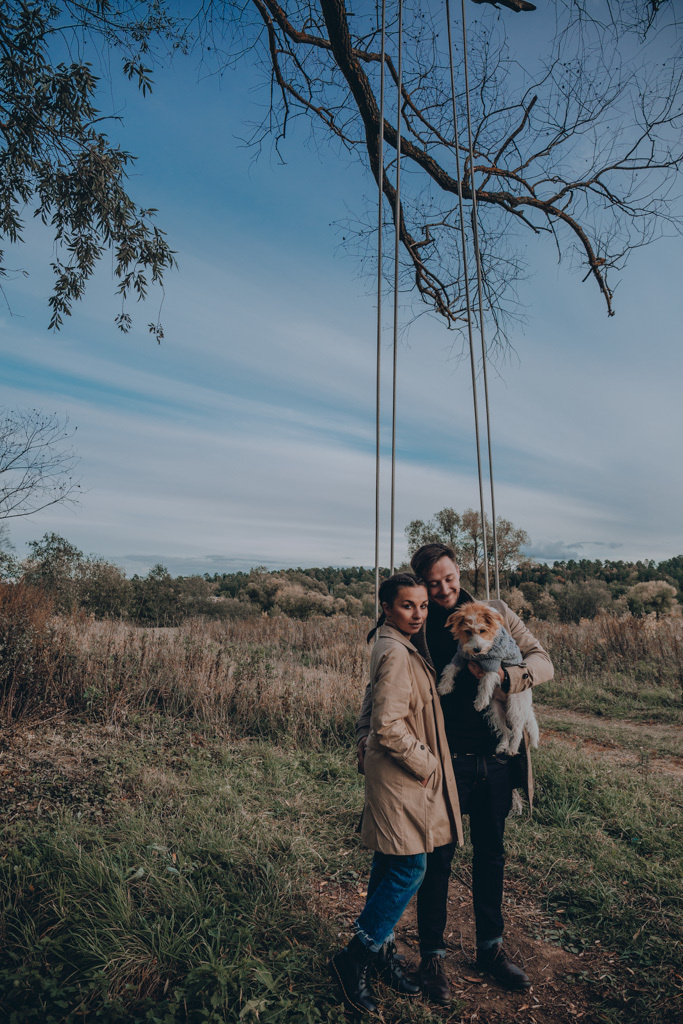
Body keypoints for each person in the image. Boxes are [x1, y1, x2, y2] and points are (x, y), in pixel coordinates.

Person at [357, 544, 554, 1001]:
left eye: (449, 578)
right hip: (444, 762)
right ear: (420, 585)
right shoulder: (418, 624)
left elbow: (542, 661)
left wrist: (507, 678)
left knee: (491, 854)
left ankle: (491, 948)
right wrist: (364, 733)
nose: (444, 589)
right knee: (437, 860)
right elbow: (379, 687)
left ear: (459, 573)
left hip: (497, 757)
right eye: (432, 583)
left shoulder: (496, 610)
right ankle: (433, 957)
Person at [329, 573, 464, 1015]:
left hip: (394, 772)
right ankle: (355, 958)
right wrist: (429, 764)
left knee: (389, 861)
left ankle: (383, 951)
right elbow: (389, 723)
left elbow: (370, 705)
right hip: (402, 775)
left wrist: (360, 737)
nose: (419, 614)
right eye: (408, 606)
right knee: (410, 868)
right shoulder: (394, 651)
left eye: (423, 606)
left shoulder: (395, 644)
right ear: (387, 607)